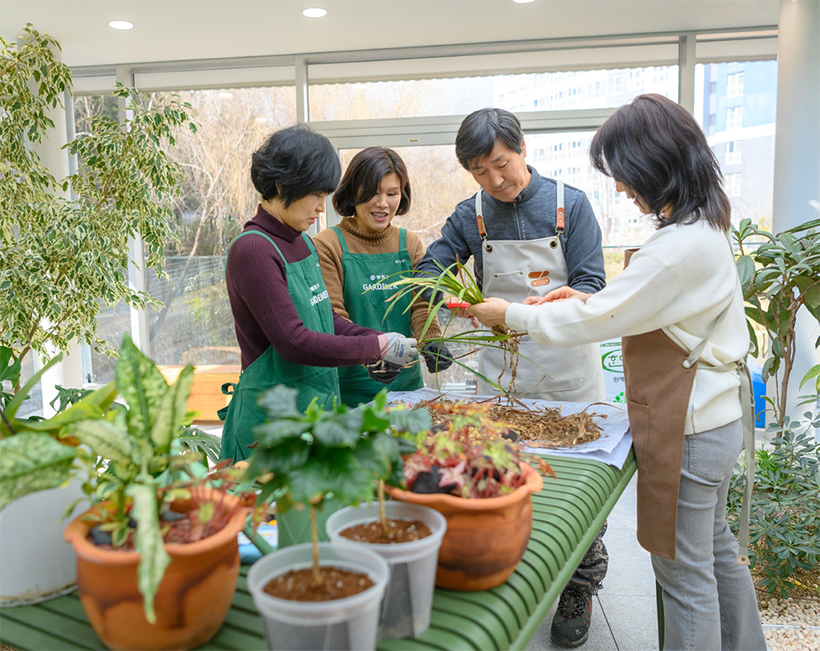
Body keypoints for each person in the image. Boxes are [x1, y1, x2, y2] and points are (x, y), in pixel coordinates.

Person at [468, 94, 766, 651]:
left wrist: (508, 313)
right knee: (716, 550)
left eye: (625, 176)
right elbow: (618, 300)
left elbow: (598, 313)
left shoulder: (677, 246)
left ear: (655, 166)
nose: (623, 189)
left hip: (691, 427)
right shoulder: (704, 226)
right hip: (714, 417)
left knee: (682, 572)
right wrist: (567, 299)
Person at [416, 107, 608, 648]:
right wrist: (444, 299)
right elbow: (431, 267)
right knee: (503, 474)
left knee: (578, 491)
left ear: (521, 147)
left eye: (501, 165)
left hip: (569, 372)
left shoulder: (572, 204)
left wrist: (549, 303)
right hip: (502, 375)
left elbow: (592, 281)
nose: (495, 181)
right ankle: (517, 571)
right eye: (480, 172)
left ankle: (581, 586)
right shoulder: (469, 214)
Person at [219, 125, 418, 462]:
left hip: (313, 410)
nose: (321, 208)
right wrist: (374, 347)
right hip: (272, 424)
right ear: (283, 185)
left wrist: (383, 339)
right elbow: (293, 341)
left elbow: (327, 321)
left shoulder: (302, 242)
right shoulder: (254, 249)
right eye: (316, 195)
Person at [314, 146, 453, 406]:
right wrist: (373, 354)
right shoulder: (328, 244)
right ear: (352, 192)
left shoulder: (408, 243)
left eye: (392, 193)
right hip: (350, 389)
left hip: (406, 389)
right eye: (372, 193)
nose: (383, 203)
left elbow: (420, 306)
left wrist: (432, 341)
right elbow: (333, 318)